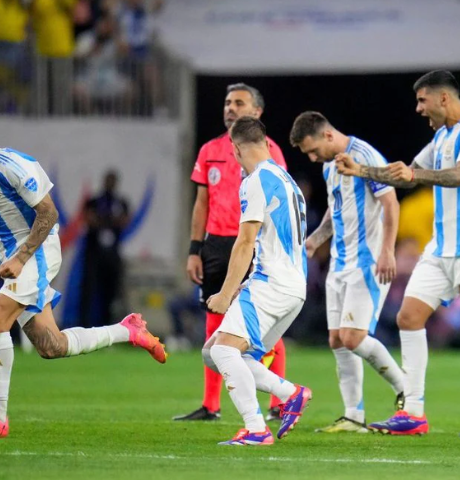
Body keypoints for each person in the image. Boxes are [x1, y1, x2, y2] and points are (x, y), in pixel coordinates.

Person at [335, 70, 460, 438]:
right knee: (408, 318)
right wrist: (362, 170)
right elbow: (406, 174)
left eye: (422, 100)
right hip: (440, 249)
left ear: (443, 98)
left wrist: (415, 176)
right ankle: (413, 413)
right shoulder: (442, 136)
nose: (418, 109)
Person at [0, 147, 166, 438]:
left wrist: (20, 258)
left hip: (35, 253)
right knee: (51, 346)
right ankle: (127, 331)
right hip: (9, 259)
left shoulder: (13, 165)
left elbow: (49, 214)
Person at [174, 83, 289, 422]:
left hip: (250, 243)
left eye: (239, 103)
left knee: (263, 327)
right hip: (216, 245)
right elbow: (201, 203)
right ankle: (211, 405)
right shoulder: (209, 149)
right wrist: (195, 249)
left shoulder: (270, 152)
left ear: (257, 113)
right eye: (227, 102)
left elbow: (277, 203)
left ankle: (278, 404)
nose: (230, 108)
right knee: (213, 321)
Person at [290, 111, 404, 433]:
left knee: (353, 337)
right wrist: (315, 240)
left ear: (327, 135)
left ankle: (407, 390)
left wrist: (387, 251)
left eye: (313, 150)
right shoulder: (330, 166)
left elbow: (390, 202)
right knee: (337, 340)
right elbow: (335, 207)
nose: (313, 158)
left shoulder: (364, 156)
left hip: (367, 263)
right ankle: (353, 415)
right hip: (340, 264)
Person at [203, 117, 310, 446]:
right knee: (220, 353)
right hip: (294, 287)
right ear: (266, 143)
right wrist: (241, 285)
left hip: (272, 284)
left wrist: (223, 294)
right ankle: (290, 393)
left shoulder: (255, 180)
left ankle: (255, 429)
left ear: (235, 149)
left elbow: (246, 241)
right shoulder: (287, 180)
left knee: (222, 352)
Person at [80, 169, 130, 327]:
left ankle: (108, 326)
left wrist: (105, 220)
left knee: (110, 292)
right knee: (88, 290)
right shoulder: (94, 201)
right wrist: (108, 220)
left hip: (112, 254)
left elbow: (124, 221)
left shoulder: (120, 202)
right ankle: (84, 325)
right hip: (94, 253)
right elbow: (89, 220)